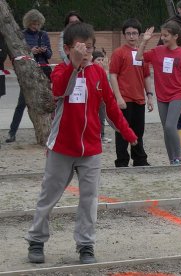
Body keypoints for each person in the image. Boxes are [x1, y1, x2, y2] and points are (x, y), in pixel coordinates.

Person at [25, 22, 138, 264]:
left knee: (89, 199)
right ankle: (36, 240)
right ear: (67, 49)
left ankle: (85, 244)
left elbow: (110, 107)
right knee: (48, 196)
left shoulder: (97, 73)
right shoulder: (61, 71)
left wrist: (127, 134)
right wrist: (73, 65)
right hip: (62, 148)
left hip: (91, 150)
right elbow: (60, 89)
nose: (87, 52)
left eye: (90, 48)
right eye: (81, 48)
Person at [136, 22, 181, 165]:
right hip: (162, 96)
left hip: (177, 94)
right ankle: (172, 159)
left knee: (171, 126)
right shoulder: (157, 51)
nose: (163, 38)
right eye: (162, 35)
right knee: (166, 129)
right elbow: (139, 57)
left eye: (166, 35)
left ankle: (178, 157)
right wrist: (144, 40)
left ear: (175, 36)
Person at [110, 18, 153, 167]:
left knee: (138, 131)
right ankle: (121, 161)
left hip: (139, 99)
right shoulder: (118, 53)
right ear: (124, 35)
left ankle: (140, 159)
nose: (131, 36)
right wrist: (118, 97)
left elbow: (147, 76)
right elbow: (113, 75)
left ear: (139, 35)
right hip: (124, 98)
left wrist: (150, 96)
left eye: (134, 33)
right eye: (128, 33)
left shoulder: (142, 54)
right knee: (122, 131)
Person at [6, 9, 52, 143]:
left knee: (48, 102)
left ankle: (50, 131)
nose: (35, 26)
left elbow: (49, 55)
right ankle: (12, 132)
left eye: (38, 24)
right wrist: (31, 51)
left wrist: (44, 50)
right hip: (29, 72)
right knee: (22, 103)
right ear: (28, 23)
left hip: (43, 70)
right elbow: (19, 53)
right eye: (33, 24)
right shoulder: (22, 35)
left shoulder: (43, 35)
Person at [160, 0, 181, 147]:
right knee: (180, 106)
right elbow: (161, 47)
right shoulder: (171, 24)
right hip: (176, 74)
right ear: (179, 10)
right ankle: (176, 134)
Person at [92, 50, 111, 143]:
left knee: (102, 117)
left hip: (102, 99)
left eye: (102, 60)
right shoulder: (92, 71)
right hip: (94, 98)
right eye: (98, 60)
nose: (101, 62)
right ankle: (95, 136)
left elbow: (107, 83)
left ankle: (102, 135)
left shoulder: (103, 71)